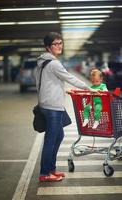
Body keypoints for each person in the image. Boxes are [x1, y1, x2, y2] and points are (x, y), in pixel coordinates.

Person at [35, 32, 97, 182]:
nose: (59, 46)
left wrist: (62, 90)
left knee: (59, 136)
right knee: (51, 139)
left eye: (60, 43)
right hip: (53, 107)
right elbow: (70, 78)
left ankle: (51, 169)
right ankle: (45, 173)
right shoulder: (54, 63)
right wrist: (89, 88)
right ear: (48, 47)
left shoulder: (42, 63)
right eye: (55, 44)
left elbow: (46, 83)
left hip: (47, 104)